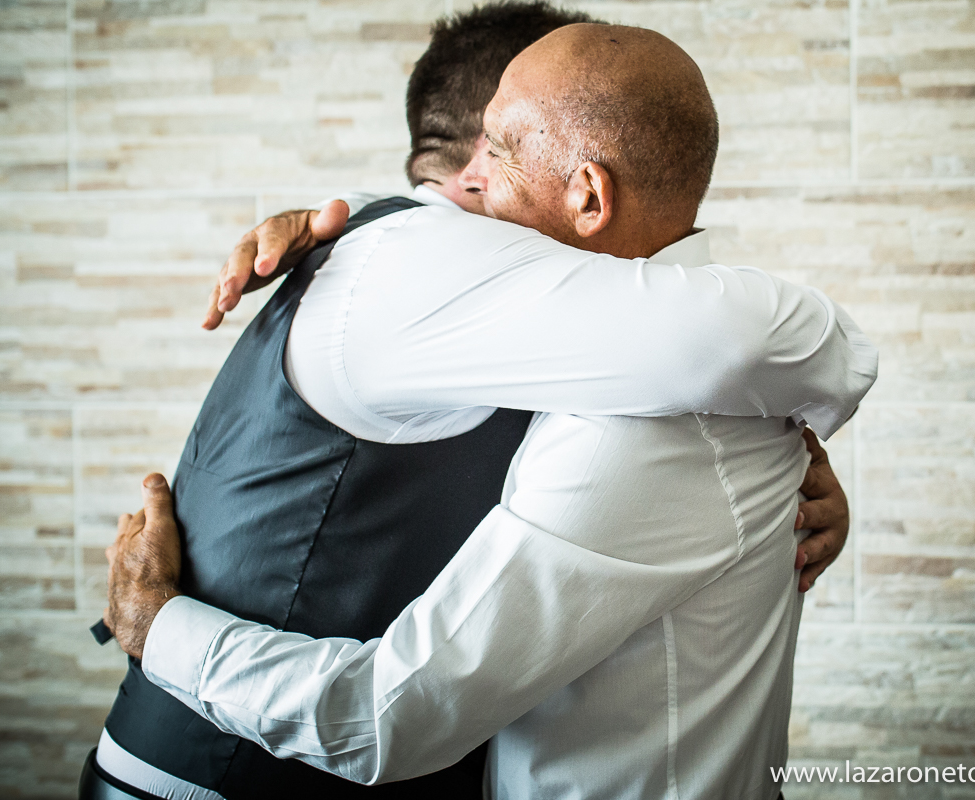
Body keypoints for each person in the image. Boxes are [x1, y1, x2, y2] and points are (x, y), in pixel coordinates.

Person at [98, 16, 873, 800]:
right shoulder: (437, 271)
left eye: (496, 151)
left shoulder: (651, 406)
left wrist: (162, 629)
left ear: (587, 192)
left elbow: (391, 715)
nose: (475, 179)